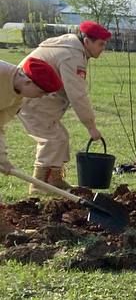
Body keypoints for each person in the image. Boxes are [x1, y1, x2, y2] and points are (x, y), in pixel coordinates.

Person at [17, 20, 108, 190]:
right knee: (52, 139)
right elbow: (77, 95)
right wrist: (91, 127)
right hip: (31, 98)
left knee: (60, 137)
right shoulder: (72, 56)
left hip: (35, 98)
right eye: (101, 44)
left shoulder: (68, 47)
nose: (103, 48)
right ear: (87, 41)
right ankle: (39, 185)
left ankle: (54, 180)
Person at [1, 58, 64, 231]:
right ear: (28, 81)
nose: (41, 97)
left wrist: (2, 158)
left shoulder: (18, 99)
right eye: (41, 92)